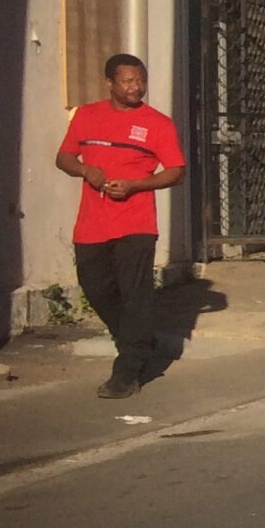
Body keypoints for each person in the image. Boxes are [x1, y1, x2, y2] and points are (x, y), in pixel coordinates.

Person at [55, 53, 185, 400]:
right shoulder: (87, 116)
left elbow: (175, 170)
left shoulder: (158, 123)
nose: (136, 87)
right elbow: (64, 157)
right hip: (92, 223)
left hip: (136, 222)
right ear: (110, 82)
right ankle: (135, 339)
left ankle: (128, 372)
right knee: (95, 287)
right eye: (128, 81)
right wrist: (86, 170)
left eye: (141, 80)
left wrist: (135, 185)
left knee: (135, 295)